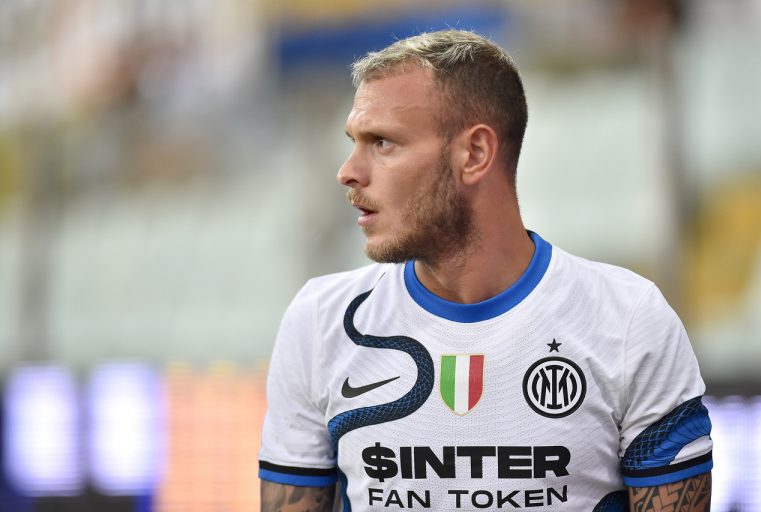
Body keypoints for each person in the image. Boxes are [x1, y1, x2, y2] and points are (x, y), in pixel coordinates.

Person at [258, 29, 713, 511]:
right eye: (354, 142)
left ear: (474, 154)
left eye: (383, 142)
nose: (348, 171)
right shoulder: (322, 320)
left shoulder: (628, 320)